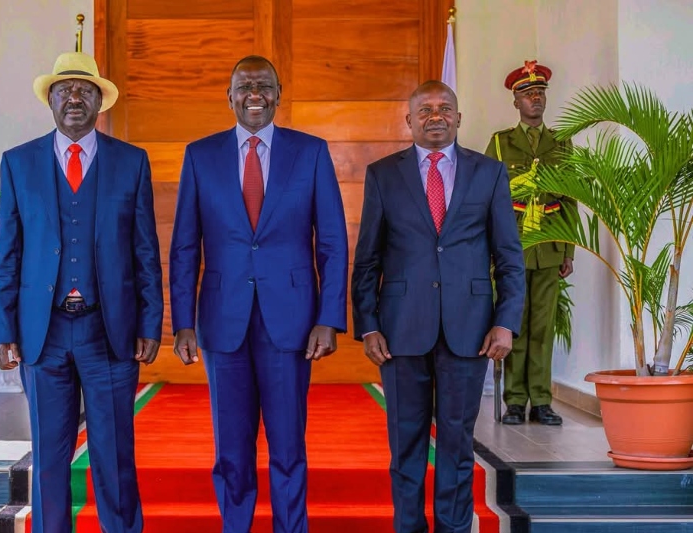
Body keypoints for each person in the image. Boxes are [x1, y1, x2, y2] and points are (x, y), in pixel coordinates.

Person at [169, 55, 348, 533]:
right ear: (228, 96)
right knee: (231, 449)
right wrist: (182, 322)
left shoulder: (310, 152)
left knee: (288, 447)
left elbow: (331, 241)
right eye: (244, 86)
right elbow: (185, 246)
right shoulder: (199, 155)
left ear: (278, 94)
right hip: (221, 321)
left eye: (264, 85)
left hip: (291, 322)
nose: (254, 94)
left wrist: (329, 317)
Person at [0, 51, 163, 533]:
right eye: (64, 89)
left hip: (107, 331)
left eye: (84, 90)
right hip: (41, 334)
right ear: (49, 99)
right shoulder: (18, 163)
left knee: (114, 454)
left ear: (98, 102)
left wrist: (151, 322)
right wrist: (5, 328)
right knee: (49, 456)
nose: (73, 97)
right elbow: (8, 254)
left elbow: (145, 251)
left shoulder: (131, 163)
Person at [351, 80, 525, 533]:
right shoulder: (383, 174)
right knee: (405, 444)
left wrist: (506, 322)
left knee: (456, 442)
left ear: (459, 117)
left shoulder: (489, 173)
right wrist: (367, 325)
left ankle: (453, 528)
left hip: (470, 330)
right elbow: (367, 257)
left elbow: (508, 256)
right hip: (400, 331)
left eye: (444, 108)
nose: (435, 116)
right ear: (409, 121)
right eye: (424, 110)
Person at [484, 60, 575, 426]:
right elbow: (487, 198)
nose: (535, 98)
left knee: (543, 327)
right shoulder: (501, 143)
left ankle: (541, 401)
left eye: (540, 93)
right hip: (513, 247)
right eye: (527, 93)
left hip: (549, 246)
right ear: (515, 101)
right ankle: (515, 402)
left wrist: (568, 249)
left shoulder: (561, 142)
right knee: (514, 322)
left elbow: (571, 197)